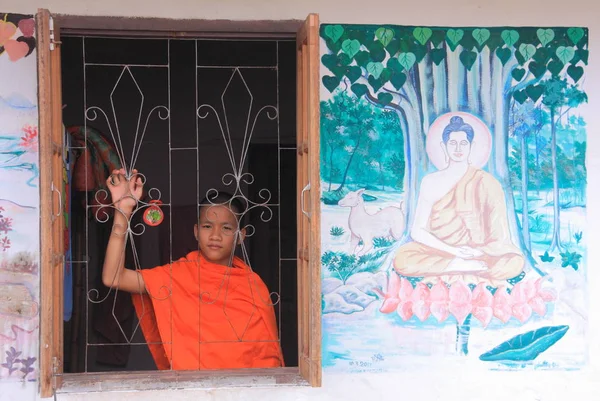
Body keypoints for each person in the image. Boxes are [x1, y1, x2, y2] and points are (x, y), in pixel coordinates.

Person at [101, 168, 283, 370]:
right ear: (196, 231)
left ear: (241, 235)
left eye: (226, 228)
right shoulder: (177, 276)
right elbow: (114, 278)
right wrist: (123, 212)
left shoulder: (252, 285)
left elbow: (267, 354)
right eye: (207, 226)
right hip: (194, 389)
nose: (215, 235)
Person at [393, 116, 524, 286]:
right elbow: (418, 231)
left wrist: (476, 252)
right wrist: (454, 252)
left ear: (471, 146)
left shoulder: (487, 182)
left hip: (478, 253)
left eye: (463, 143)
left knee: (514, 263)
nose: (458, 148)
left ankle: (459, 268)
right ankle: (460, 267)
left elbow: (500, 236)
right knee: (402, 259)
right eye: (452, 143)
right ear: (443, 146)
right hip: (440, 250)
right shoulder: (430, 181)